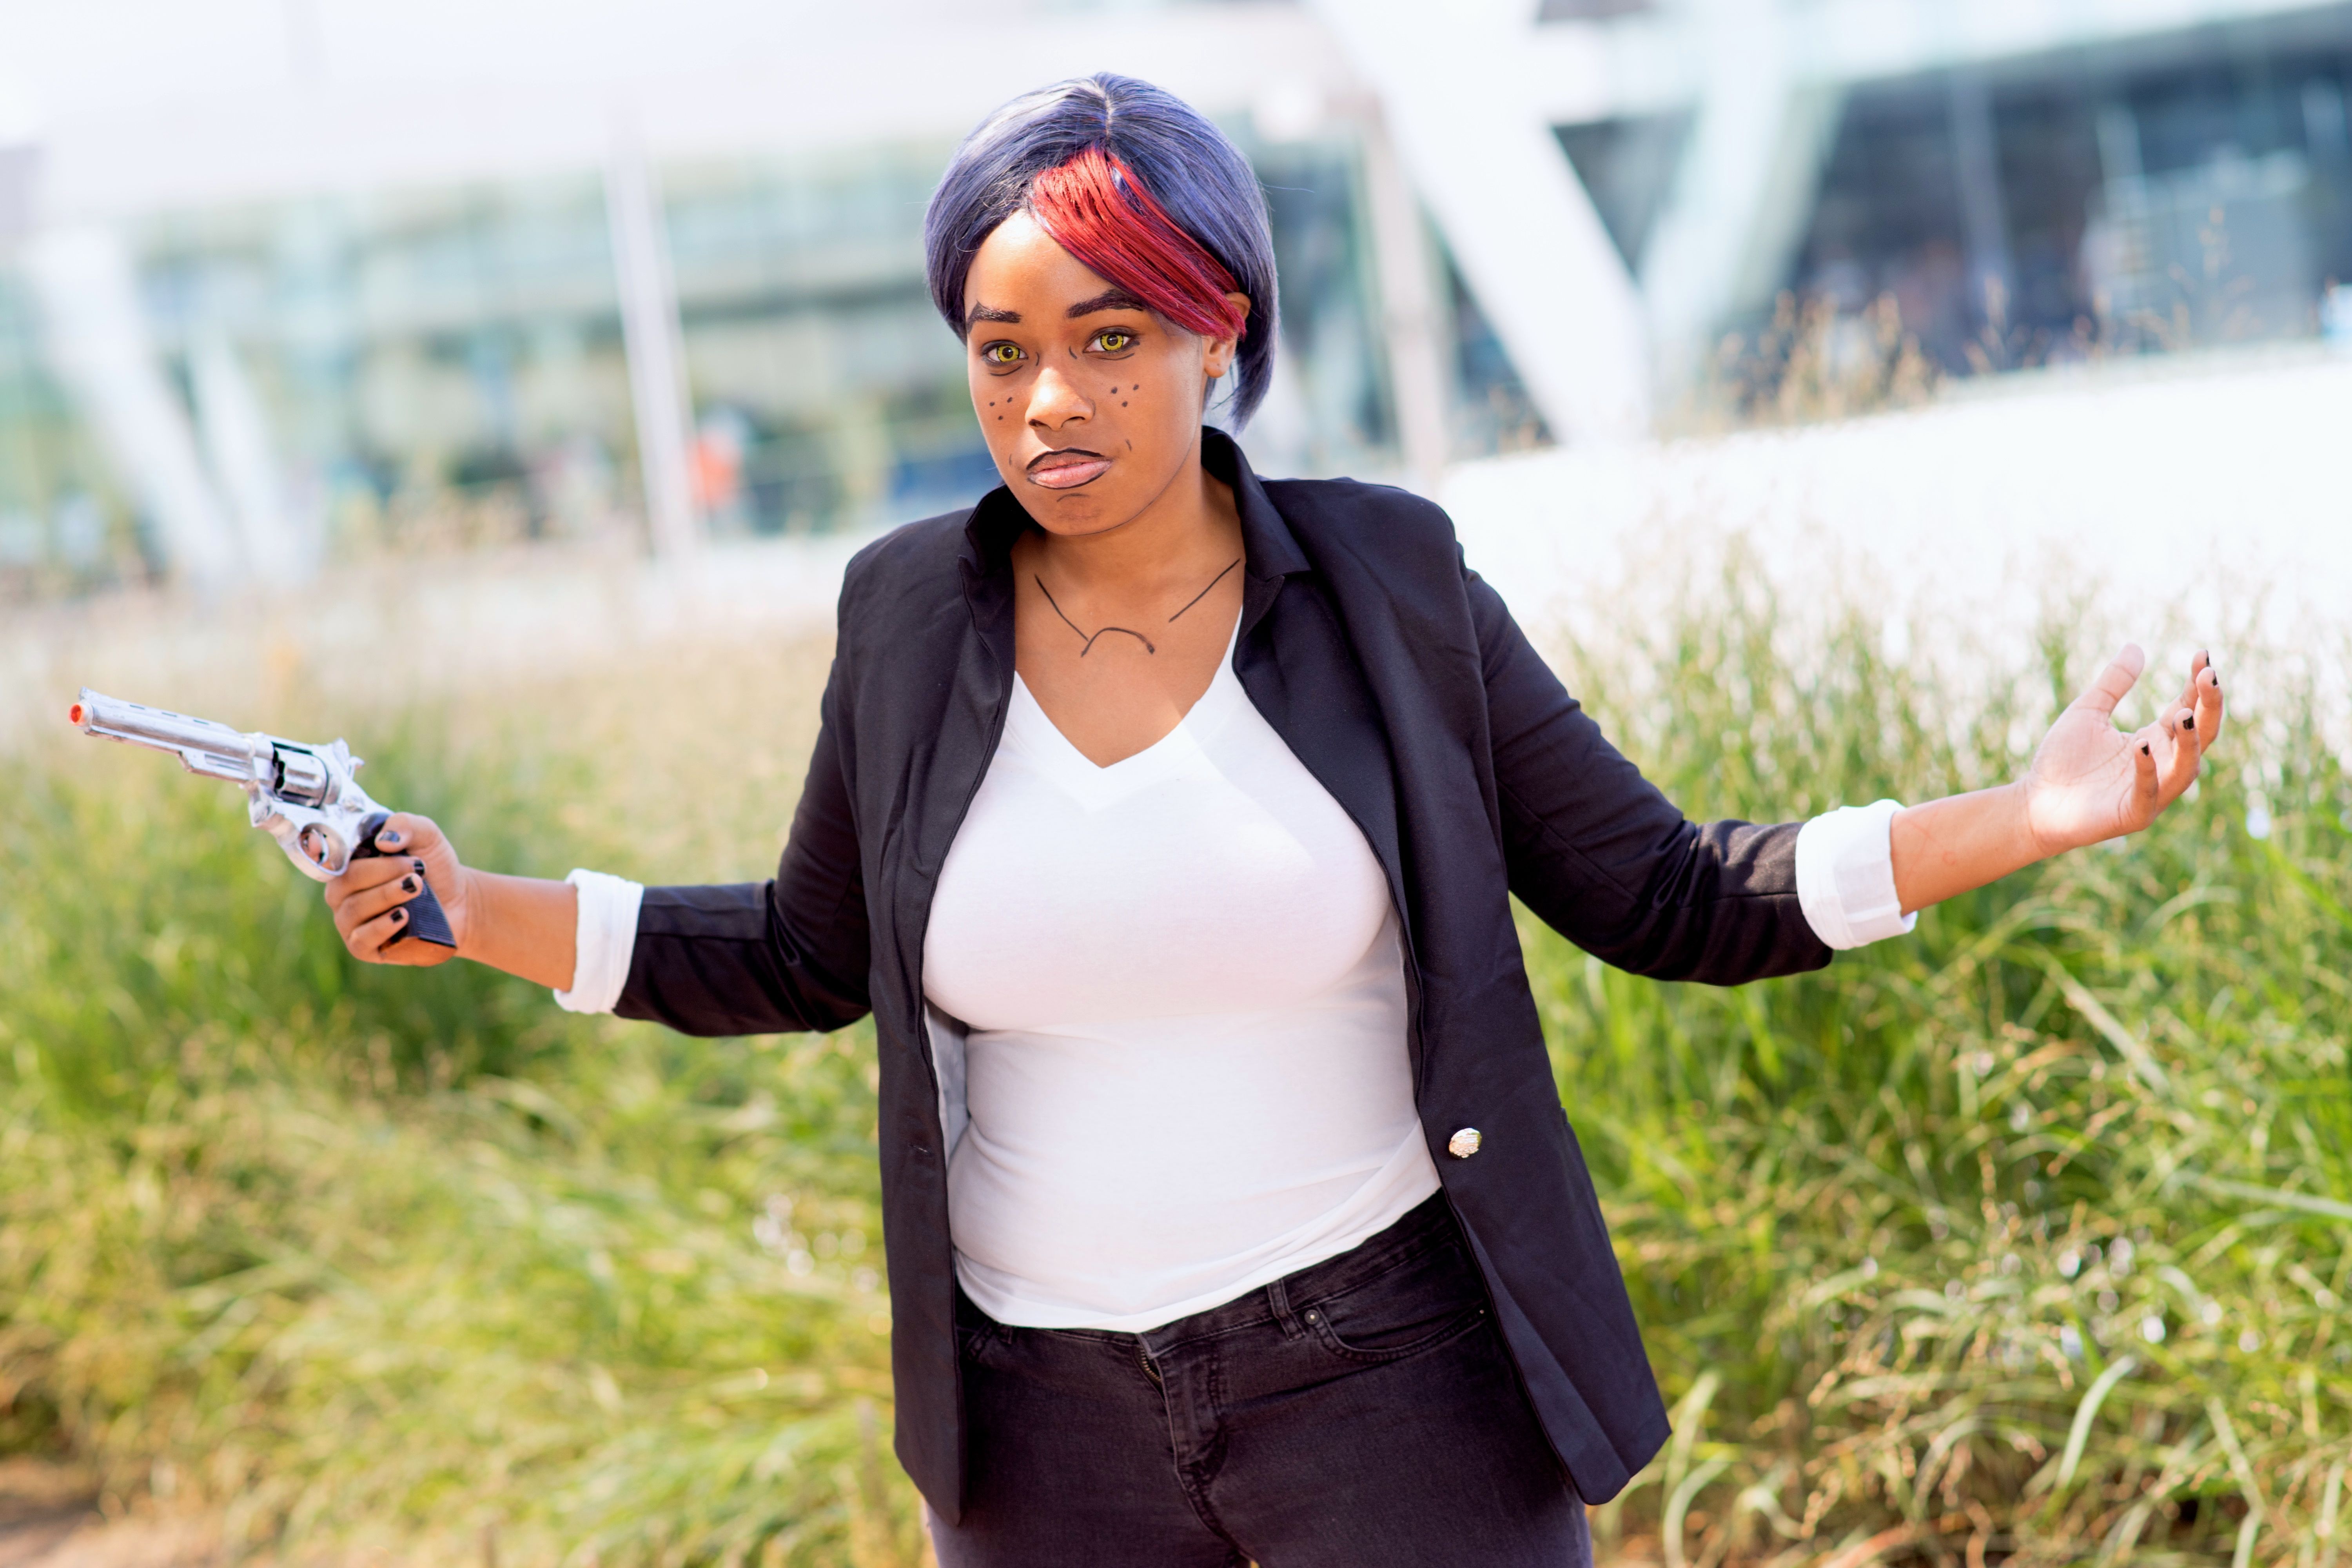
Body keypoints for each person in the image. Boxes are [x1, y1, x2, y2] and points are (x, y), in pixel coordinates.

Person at [323, 74, 2225, 1568]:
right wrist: (470, 904)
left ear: (1215, 328)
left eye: (1109, 339)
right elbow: (808, 950)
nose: (1048, 399)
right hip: (1036, 1431)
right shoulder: (904, 617)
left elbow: (1667, 893)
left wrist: (2027, 816)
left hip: (1395, 1384)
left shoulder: (1390, 586)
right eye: (1000, 348)